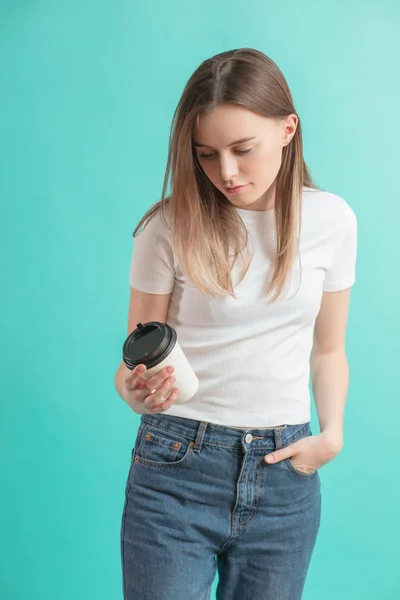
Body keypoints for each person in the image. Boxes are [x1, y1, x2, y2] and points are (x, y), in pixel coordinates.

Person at [114, 47, 358, 600]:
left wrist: (332, 435)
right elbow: (132, 360)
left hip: (284, 474)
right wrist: (137, 392)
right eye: (205, 154)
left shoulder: (332, 221)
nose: (226, 172)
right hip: (176, 465)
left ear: (288, 129)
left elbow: (329, 350)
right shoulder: (166, 227)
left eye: (243, 150)